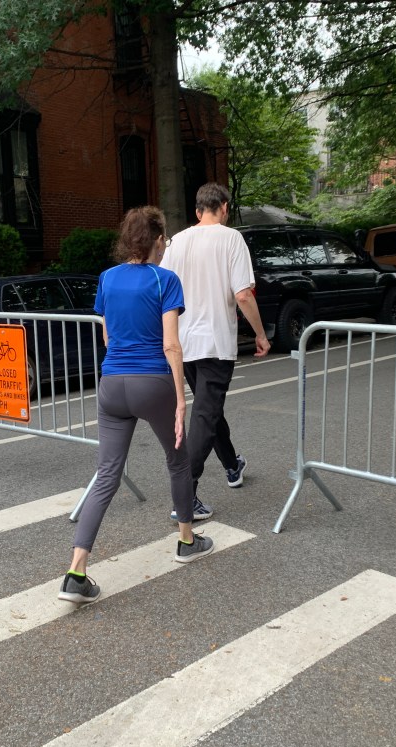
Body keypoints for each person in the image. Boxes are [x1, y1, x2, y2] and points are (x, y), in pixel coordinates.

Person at [59, 206, 213, 604]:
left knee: (107, 473)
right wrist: (181, 399)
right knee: (177, 460)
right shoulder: (166, 280)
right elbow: (171, 345)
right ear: (158, 240)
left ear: (128, 240)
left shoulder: (107, 279)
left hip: (112, 383)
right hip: (153, 382)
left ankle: (76, 571)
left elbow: (108, 337)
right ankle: (186, 540)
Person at [161, 182, 270, 522]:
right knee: (205, 415)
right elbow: (243, 295)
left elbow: (159, 288)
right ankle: (185, 496)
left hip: (184, 342)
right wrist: (261, 335)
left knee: (210, 409)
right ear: (223, 207)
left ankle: (232, 465)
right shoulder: (231, 238)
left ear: (197, 210)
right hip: (216, 342)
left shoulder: (176, 242)